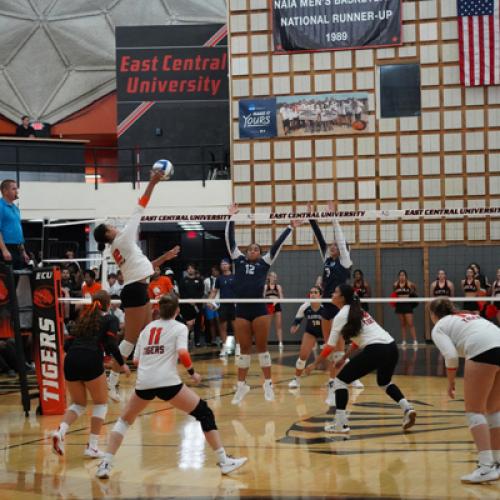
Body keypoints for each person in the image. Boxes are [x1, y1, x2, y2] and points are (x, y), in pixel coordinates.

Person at [95, 293, 247, 479]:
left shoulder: (147, 329)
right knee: (204, 412)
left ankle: (105, 464)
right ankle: (224, 461)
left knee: (125, 420)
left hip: (144, 382)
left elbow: (136, 360)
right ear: (177, 310)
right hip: (167, 382)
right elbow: (182, 352)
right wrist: (193, 373)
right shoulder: (179, 327)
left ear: (158, 310)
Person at [93, 170, 180, 401]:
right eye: (110, 225)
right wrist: (153, 181)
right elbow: (141, 204)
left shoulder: (118, 247)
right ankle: (111, 382)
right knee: (131, 339)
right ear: (109, 232)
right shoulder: (122, 238)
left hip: (139, 288)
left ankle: (149, 377)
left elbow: (145, 267)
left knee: (148, 333)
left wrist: (165, 257)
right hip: (134, 291)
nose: (114, 225)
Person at [306, 284, 417, 434]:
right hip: (391, 347)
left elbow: (329, 346)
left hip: (377, 349)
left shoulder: (341, 316)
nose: (332, 294)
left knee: (339, 381)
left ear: (342, 298)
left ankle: (340, 424)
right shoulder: (358, 311)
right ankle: (407, 408)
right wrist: (344, 357)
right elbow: (358, 340)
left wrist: (314, 364)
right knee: (384, 382)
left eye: (336, 292)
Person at [226, 203, 302, 404]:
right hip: (242, 308)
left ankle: (268, 384)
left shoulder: (264, 263)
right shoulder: (239, 260)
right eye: (250, 248)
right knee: (244, 349)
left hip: (259, 308)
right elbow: (230, 241)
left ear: (260, 253)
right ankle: (241, 386)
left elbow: (276, 247)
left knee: (261, 347)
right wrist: (231, 218)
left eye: (256, 249)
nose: (252, 250)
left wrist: (290, 227)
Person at [429, 298, 500, 483]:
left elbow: (451, 356)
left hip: (482, 348)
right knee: (493, 409)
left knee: (474, 410)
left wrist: (450, 382)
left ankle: (485, 468)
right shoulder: (468, 316)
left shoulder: (439, 326)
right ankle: (498, 463)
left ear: (432, 315)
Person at [51, 291, 129, 458]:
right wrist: (122, 364)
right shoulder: (110, 319)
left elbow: (67, 344)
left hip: (71, 359)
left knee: (78, 404)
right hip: (90, 358)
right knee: (101, 403)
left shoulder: (83, 317)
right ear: (108, 304)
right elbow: (110, 344)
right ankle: (92, 446)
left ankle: (61, 431)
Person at [308, 202, 353, 405]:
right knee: (328, 347)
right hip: (327, 305)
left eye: (336, 246)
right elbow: (319, 239)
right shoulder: (327, 259)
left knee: (339, 350)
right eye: (332, 246)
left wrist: (334, 217)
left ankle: (339, 383)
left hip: (340, 307)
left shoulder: (345, 262)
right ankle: (332, 383)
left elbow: (341, 242)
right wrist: (311, 218)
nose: (333, 247)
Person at [288, 286, 324, 388]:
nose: (312, 294)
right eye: (311, 292)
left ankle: (353, 380)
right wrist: (294, 327)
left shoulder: (326, 306)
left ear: (320, 295)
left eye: (315, 292)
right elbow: (297, 321)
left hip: (326, 332)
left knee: (337, 354)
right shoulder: (305, 306)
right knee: (303, 356)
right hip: (311, 331)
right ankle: (296, 380)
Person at [209, 258, 236, 357]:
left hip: (234, 305)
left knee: (236, 327)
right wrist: (209, 301)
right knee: (223, 327)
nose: (224, 265)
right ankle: (224, 348)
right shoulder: (219, 279)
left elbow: (239, 290)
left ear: (229, 265)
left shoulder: (235, 277)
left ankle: (238, 348)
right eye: (222, 264)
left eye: (225, 264)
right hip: (223, 305)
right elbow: (214, 291)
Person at [0, 180, 29, 270]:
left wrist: (23, 252)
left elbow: (18, 231)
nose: (17, 191)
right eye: (14, 189)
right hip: (6, 248)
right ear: (5, 191)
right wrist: (4, 250)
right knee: (6, 282)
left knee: (15, 281)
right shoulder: (0, 206)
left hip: (17, 249)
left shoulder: (15, 208)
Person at [179, 263, 205, 347]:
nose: (190, 270)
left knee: (197, 324)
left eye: (192, 268)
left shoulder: (200, 280)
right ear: (187, 270)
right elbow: (182, 292)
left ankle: (197, 341)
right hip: (186, 306)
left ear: (195, 270)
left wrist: (195, 300)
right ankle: (187, 340)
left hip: (197, 306)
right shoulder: (183, 280)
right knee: (187, 323)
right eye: (188, 268)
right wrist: (188, 300)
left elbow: (201, 292)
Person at [392, 270, 418, 346]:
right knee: (402, 324)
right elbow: (394, 294)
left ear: (406, 276)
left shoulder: (410, 284)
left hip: (407, 305)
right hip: (399, 305)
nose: (402, 277)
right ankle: (404, 341)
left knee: (410, 323)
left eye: (403, 275)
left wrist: (412, 294)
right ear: (398, 276)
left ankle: (415, 340)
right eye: (400, 275)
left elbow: (415, 291)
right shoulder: (395, 284)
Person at [264, 271, 284, 351]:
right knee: (267, 326)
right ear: (269, 277)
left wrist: (276, 300)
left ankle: (280, 343)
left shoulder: (278, 287)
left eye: (275, 277)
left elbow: (282, 298)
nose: (274, 278)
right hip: (269, 306)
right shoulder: (266, 286)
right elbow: (262, 298)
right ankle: (264, 343)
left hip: (277, 306)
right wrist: (269, 299)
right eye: (273, 276)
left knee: (279, 325)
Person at [203, 265, 220, 346]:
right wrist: (209, 302)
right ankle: (213, 339)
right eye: (213, 270)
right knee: (211, 322)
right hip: (209, 303)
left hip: (219, 302)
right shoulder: (206, 280)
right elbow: (206, 292)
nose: (214, 272)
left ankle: (220, 338)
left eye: (216, 270)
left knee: (219, 321)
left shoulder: (221, 279)